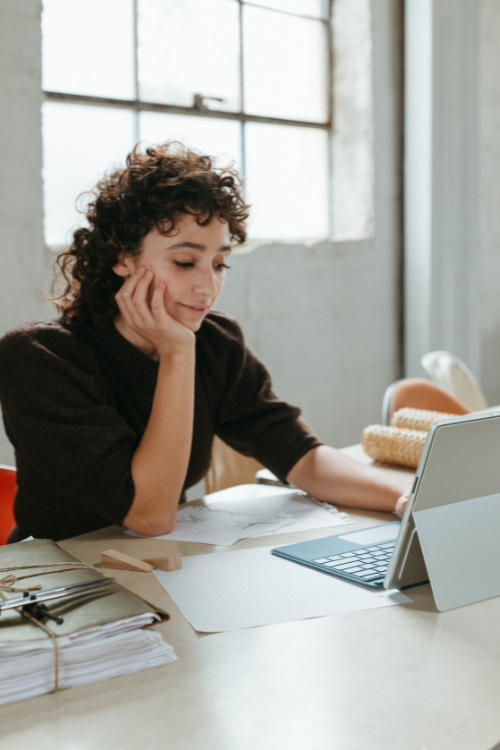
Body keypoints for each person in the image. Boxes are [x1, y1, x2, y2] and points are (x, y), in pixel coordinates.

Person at [0, 143, 410, 543]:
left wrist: (405, 497)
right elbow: (149, 514)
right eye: (184, 262)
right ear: (121, 257)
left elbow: (299, 455)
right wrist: (176, 354)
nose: (208, 287)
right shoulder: (39, 358)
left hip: (155, 566)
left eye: (219, 264)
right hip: (54, 580)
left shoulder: (216, 341)